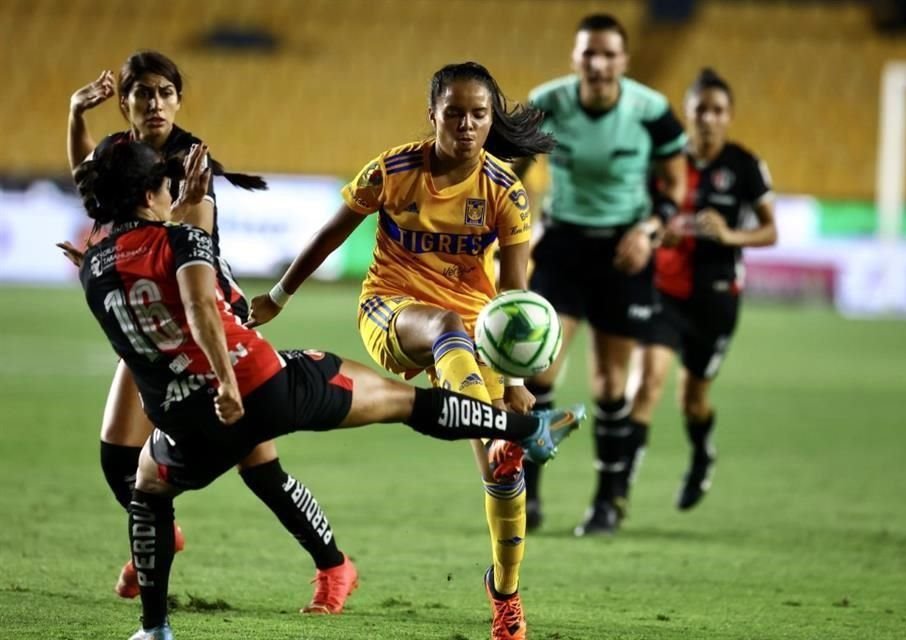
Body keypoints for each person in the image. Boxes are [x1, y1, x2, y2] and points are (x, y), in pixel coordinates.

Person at [74, 140, 577, 640]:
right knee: (405, 403)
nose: (170, 194)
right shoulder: (180, 241)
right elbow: (202, 302)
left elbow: (153, 289)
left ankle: (154, 628)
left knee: (149, 491)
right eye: (164, 187)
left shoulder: (93, 268)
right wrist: (227, 375)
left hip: (188, 424)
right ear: (147, 193)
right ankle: (523, 429)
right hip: (265, 387)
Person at [247, 61, 580, 640]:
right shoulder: (395, 170)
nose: (468, 125)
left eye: (479, 114)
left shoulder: (505, 190)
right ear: (433, 116)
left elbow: (516, 297)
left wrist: (521, 377)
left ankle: (505, 593)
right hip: (393, 311)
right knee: (450, 330)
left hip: (477, 330)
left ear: (490, 118)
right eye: (454, 114)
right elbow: (332, 233)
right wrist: (278, 297)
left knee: (504, 480)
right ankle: (503, 430)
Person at [59, 51, 351, 614]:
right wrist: (76, 116)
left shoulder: (189, 159)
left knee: (259, 466)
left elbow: (191, 240)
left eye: (166, 92)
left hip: (205, 320)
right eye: (144, 93)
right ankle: (159, 536)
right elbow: (93, 194)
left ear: (178, 100)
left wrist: (117, 254)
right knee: (117, 458)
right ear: (125, 103)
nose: (155, 103)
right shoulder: (120, 156)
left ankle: (334, 567)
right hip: (150, 323)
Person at [512, 14, 687, 535]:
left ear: (624, 61)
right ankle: (530, 498)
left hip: (624, 252)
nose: (598, 63)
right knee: (536, 374)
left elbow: (674, 185)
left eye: (609, 54)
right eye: (589, 53)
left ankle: (609, 501)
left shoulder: (651, 110)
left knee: (611, 385)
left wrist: (650, 229)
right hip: (563, 246)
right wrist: (518, 228)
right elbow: (511, 174)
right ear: (575, 58)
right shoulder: (547, 102)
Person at [630, 67, 777, 511]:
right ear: (687, 114)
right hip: (664, 293)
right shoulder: (666, 164)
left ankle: (701, 455)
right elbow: (644, 218)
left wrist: (730, 235)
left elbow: (771, 232)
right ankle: (618, 489)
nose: (709, 118)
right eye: (700, 110)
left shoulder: (744, 166)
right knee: (647, 386)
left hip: (715, 299)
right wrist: (659, 233)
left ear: (729, 116)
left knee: (692, 399)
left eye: (718, 110)